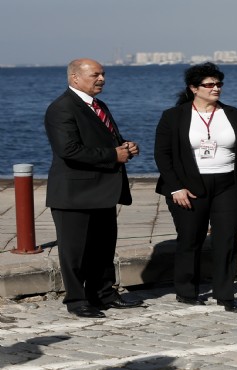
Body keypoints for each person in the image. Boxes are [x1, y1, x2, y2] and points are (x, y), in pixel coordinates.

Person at [154, 62, 237, 312]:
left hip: (229, 185)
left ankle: (226, 294)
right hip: (189, 186)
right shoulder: (173, 116)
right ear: (194, 88)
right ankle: (186, 290)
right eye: (210, 85)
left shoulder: (235, 114)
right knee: (190, 238)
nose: (216, 89)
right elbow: (162, 155)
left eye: (219, 84)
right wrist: (175, 187)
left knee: (227, 239)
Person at [44, 58, 143, 318]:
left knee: (103, 248)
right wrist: (113, 155)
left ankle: (104, 294)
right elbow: (68, 150)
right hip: (74, 194)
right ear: (75, 78)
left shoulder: (99, 105)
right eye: (95, 75)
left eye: (103, 74)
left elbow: (107, 139)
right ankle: (77, 301)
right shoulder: (61, 108)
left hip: (103, 192)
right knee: (74, 253)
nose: (102, 79)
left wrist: (126, 147)